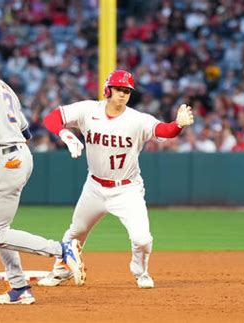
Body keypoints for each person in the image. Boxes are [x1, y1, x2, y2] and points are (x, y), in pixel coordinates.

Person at [0, 39, 85, 305]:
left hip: (2, 156)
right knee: (0, 228)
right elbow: (25, 132)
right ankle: (19, 289)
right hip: (18, 154)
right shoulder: (3, 85)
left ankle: (61, 249)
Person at [40, 70, 194, 288]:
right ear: (108, 89)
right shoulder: (88, 110)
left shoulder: (137, 120)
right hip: (94, 186)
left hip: (126, 189)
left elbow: (165, 131)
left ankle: (141, 273)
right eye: (119, 89)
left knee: (142, 239)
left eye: (127, 91)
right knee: (76, 232)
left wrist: (178, 124)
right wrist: (64, 134)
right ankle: (60, 271)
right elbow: (52, 118)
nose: (123, 94)